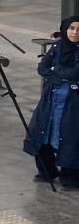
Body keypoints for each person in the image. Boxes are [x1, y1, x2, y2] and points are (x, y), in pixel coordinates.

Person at [24, 15, 79, 189]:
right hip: (51, 99)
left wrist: (57, 70)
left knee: (70, 137)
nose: (75, 33)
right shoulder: (58, 46)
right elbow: (42, 67)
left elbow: (75, 73)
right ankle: (47, 171)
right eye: (71, 28)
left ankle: (70, 176)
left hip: (72, 102)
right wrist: (61, 74)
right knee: (42, 132)